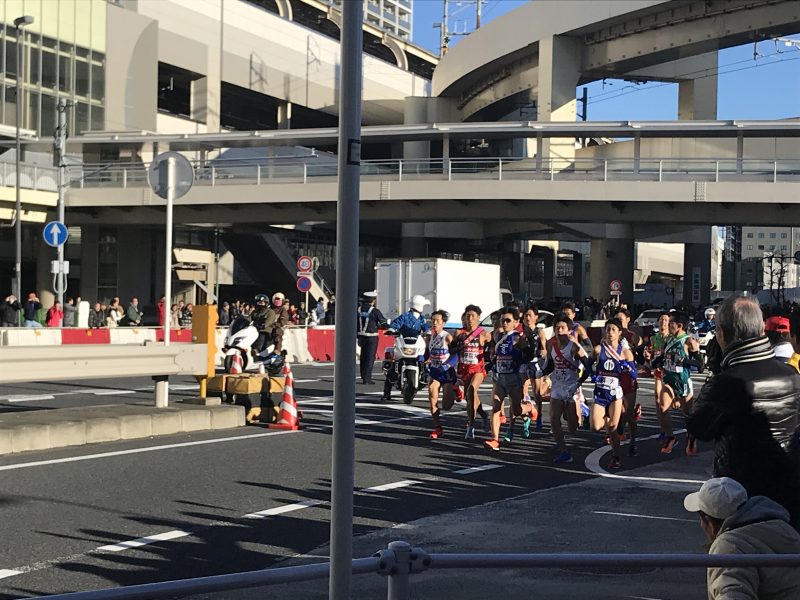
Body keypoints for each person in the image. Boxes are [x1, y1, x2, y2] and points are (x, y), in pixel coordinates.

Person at [688, 296, 800, 451]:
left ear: (721, 333)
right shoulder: (791, 373)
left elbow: (699, 428)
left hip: (741, 471)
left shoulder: (726, 382)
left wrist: (716, 373)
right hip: (787, 469)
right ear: (761, 329)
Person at [684, 477, 800, 600]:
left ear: (710, 523)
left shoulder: (728, 545)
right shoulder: (781, 527)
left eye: (701, 519)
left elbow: (731, 592)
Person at [541, 313, 593, 463]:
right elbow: (550, 364)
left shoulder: (574, 347)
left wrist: (578, 384)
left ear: (569, 330)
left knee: (572, 426)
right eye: (557, 328)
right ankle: (564, 450)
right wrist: (541, 372)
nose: (559, 331)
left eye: (563, 327)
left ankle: (583, 411)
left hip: (572, 386)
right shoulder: (551, 345)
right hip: (558, 385)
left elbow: (589, 367)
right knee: (553, 418)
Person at [484, 306, 537, 451]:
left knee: (517, 410)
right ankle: (495, 439)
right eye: (503, 320)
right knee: (495, 408)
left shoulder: (518, 338)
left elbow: (529, 354)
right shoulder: (497, 335)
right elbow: (492, 351)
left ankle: (530, 408)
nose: (505, 323)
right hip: (499, 378)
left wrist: (523, 350)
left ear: (515, 322)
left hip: (514, 379)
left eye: (508, 320)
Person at [653, 310, 701, 455]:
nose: (668, 325)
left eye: (671, 322)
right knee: (662, 407)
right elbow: (661, 358)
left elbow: (700, 365)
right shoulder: (669, 340)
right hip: (669, 380)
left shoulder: (689, 342)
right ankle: (670, 437)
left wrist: (683, 360)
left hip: (683, 382)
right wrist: (654, 361)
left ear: (679, 325)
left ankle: (691, 436)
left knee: (688, 415)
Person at [591, 318, 636, 469]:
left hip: (615, 394)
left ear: (619, 333)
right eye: (608, 329)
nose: (610, 332)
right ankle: (593, 414)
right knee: (595, 426)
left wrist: (626, 367)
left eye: (613, 330)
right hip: (600, 392)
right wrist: (591, 374)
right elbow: (588, 364)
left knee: (613, 428)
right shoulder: (598, 349)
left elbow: (634, 375)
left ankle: (616, 456)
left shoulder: (625, 352)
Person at [451, 305, 493, 440]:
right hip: (464, 369)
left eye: (473, 316)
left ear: (478, 318)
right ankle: (484, 415)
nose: (470, 319)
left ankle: (471, 426)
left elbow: (495, 345)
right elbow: (451, 350)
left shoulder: (483, 334)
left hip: (478, 369)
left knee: (471, 391)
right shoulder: (458, 333)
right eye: (467, 316)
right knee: (471, 397)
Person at [427, 310, 460, 439]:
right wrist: (420, 360)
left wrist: (447, 365)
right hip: (435, 372)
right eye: (433, 320)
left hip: (446, 373)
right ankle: (437, 427)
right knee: (431, 394)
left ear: (443, 323)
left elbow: (455, 354)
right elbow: (426, 353)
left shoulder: (447, 337)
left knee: (446, 406)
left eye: (437, 321)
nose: (434, 323)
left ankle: (456, 389)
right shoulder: (429, 336)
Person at [615, 307, 643, 455]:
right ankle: (618, 432)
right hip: (615, 377)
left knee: (628, 413)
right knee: (617, 411)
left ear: (628, 320)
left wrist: (633, 352)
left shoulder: (633, 337)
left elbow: (641, 358)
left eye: (621, 319)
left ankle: (633, 440)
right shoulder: (611, 336)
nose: (618, 322)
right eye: (616, 319)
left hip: (628, 377)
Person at [521, 304, 548, 432]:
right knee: (521, 390)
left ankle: (539, 415)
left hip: (535, 363)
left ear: (536, 317)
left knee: (537, 393)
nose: (527, 318)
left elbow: (545, 349)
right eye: (525, 315)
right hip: (522, 364)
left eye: (530, 315)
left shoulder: (539, 331)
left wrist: (543, 352)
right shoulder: (520, 331)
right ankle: (525, 416)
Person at [357, 291, 387, 385]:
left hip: (361, 336)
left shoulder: (358, 309)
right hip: (372, 337)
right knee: (370, 358)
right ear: (373, 300)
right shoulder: (374, 311)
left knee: (363, 357)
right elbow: (383, 323)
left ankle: (363, 376)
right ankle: (367, 378)